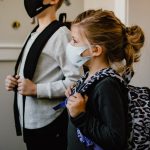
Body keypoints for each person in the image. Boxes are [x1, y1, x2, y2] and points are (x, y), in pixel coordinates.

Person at [5, 0, 82, 150]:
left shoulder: (61, 34)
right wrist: (14, 80)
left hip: (48, 123)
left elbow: (76, 81)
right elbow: (34, 73)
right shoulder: (34, 33)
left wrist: (36, 90)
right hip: (29, 120)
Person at [65, 9, 144, 150]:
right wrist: (75, 95)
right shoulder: (90, 77)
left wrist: (80, 116)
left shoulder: (107, 86)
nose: (70, 45)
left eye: (75, 41)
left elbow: (115, 139)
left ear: (96, 50)